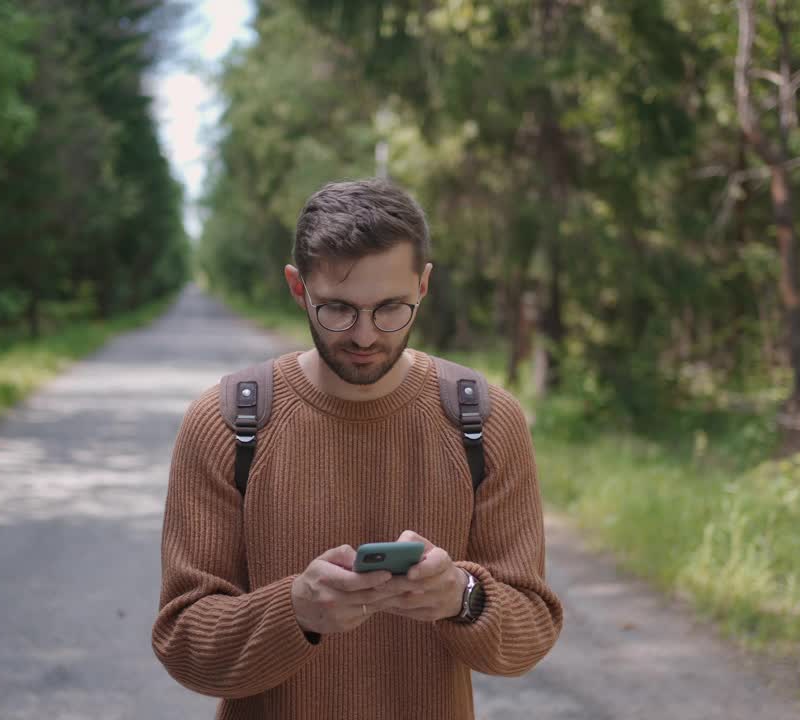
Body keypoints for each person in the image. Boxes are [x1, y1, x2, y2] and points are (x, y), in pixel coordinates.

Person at [152, 178, 564, 719]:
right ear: (298, 288)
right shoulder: (228, 422)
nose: (366, 336)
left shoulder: (485, 422)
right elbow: (184, 644)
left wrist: (462, 597)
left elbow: (531, 631)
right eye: (338, 310)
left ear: (424, 285)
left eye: (391, 308)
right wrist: (295, 611)